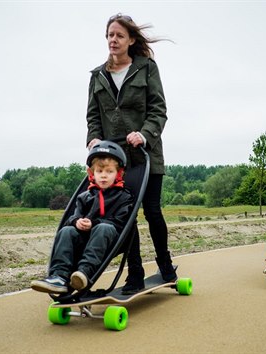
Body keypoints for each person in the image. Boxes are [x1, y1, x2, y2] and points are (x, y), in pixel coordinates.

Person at [85, 13, 176, 295]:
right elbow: (92, 117)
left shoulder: (147, 68)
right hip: (114, 161)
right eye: (110, 35)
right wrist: (94, 138)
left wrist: (144, 134)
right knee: (125, 216)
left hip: (146, 156)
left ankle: (165, 265)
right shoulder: (97, 75)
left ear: (131, 40)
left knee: (151, 210)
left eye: (119, 35)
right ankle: (134, 274)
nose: (113, 40)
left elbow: (158, 111)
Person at [30, 141, 133, 294]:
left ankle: (83, 273)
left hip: (111, 239)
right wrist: (77, 222)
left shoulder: (124, 197)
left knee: (103, 227)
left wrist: (94, 223)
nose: (103, 175)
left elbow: (120, 223)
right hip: (85, 238)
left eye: (109, 172)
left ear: (118, 174)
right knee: (66, 231)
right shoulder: (85, 197)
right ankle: (59, 276)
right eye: (99, 171)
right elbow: (73, 217)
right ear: (92, 174)